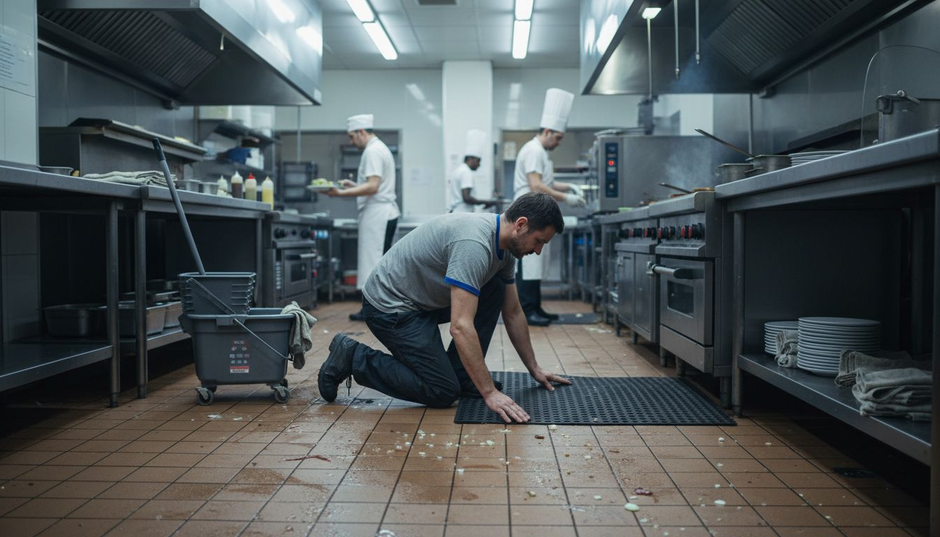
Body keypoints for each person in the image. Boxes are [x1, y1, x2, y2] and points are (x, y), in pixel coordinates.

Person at [317, 192, 573, 423]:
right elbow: (460, 327)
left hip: (421, 301)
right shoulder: (475, 244)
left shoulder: (504, 249)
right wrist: (489, 392)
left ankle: (464, 376)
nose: (538, 251)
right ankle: (353, 357)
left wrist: (534, 368)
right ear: (521, 225)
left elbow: (514, 312)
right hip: (390, 307)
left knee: (495, 287)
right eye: (539, 241)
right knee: (441, 391)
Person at [513, 88, 586, 327]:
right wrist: (567, 199)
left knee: (537, 261)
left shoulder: (542, 153)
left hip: (537, 212)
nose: (559, 142)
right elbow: (536, 184)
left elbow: (549, 183)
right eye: (557, 138)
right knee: (529, 261)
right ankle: (527, 310)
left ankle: (536, 307)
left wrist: (571, 187)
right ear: (547, 131)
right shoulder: (533, 150)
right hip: (528, 213)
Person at [324, 114, 400, 321]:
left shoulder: (373, 151)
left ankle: (374, 311)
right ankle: (375, 310)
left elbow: (373, 187)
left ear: (362, 132)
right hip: (380, 213)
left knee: (374, 264)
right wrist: (354, 186)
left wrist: (339, 193)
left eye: (352, 137)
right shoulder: (379, 148)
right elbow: (373, 185)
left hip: (379, 214)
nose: (351, 142)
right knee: (376, 264)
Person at [449, 129, 496, 213]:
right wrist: (485, 202)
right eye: (478, 161)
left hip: (456, 212)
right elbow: (467, 198)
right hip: (462, 213)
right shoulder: (466, 172)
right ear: (470, 159)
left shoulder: (459, 170)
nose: (479, 164)